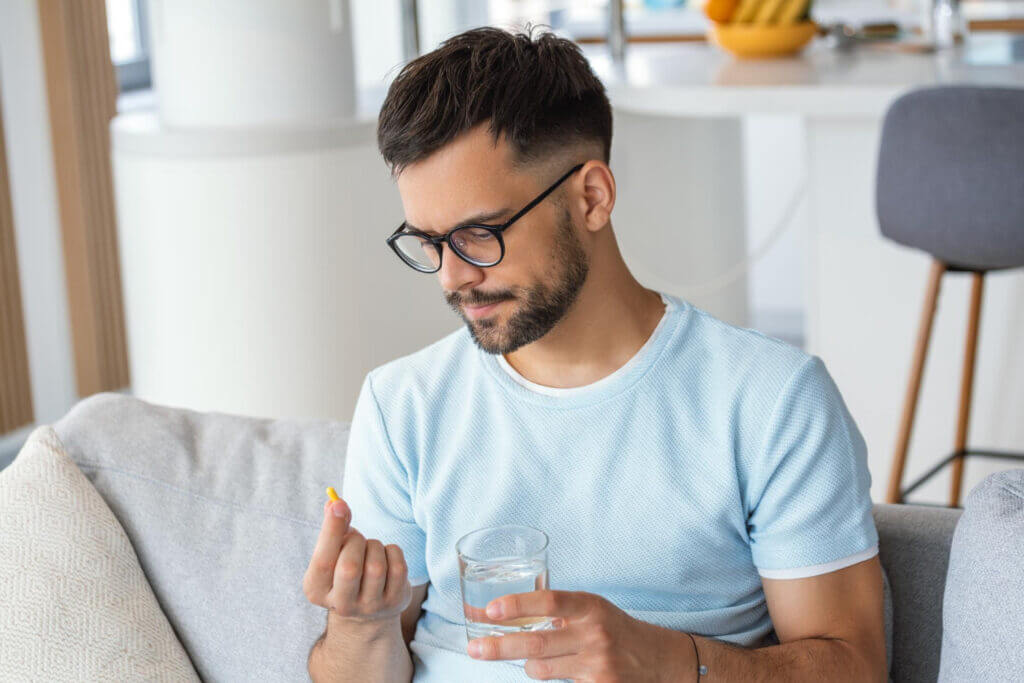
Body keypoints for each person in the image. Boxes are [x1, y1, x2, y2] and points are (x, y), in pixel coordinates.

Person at [303, 25, 886, 683]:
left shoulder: (772, 400)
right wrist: (360, 622)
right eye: (430, 241)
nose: (451, 277)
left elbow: (855, 666)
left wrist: (671, 660)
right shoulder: (400, 404)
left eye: (477, 235)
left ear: (592, 197)